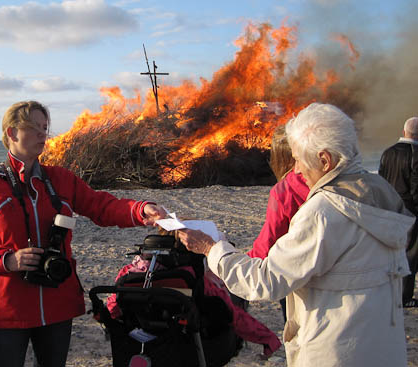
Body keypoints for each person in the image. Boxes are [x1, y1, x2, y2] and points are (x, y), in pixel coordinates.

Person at [178, 103, 413, 367]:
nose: (297, 170)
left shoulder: (324, 212)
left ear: (325, 160)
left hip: (336, 351)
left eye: (299, 159)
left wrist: (212, 249)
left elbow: (266, 282)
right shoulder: (382, 193)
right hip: (382, 348)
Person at [0, 101, 166, 367]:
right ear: (11, 133)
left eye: (45, 128)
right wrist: (8, 260)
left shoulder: (61, 179)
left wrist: (140, 209)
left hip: (56, 303)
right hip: (7, 307)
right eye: (34, 128)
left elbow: (102, 206)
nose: (43, 134)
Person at [247, 124, 309, 321]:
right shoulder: (333, 181)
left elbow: (269, 242)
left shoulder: (284, 190)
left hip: (298, 275)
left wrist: (238, 262)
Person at [379, 116, 418, 308]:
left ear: (404, 132)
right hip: (409, 212)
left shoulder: (388, 152)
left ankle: (388, 291)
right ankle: (404, 297)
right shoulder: (415, 153)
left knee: (390, 251)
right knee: (410, 253)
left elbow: (381, 181)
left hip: (389, 209)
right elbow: (416, 187)